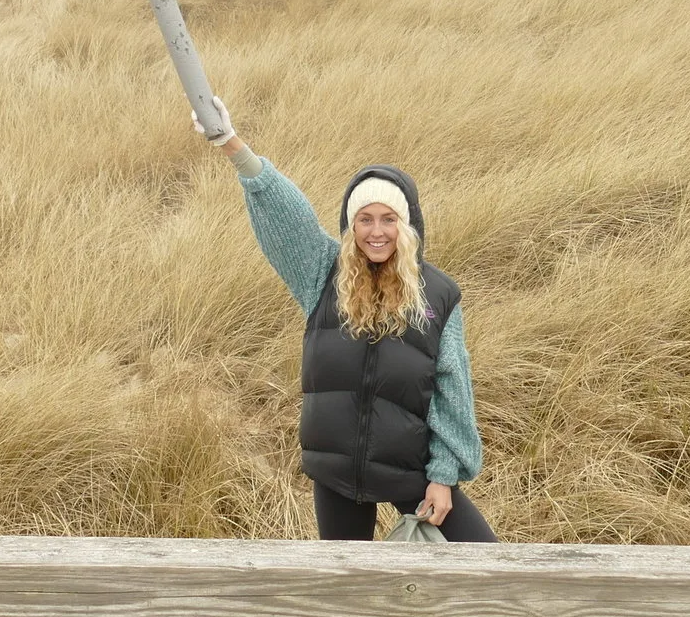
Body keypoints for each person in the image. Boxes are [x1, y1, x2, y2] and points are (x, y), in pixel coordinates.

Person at [197, 96, 496, 543]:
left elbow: (452, 390)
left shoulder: (438, 294)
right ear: (351, 226)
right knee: (345, 586)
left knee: (484, 560)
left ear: (408, 224)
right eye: (365, 219)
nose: (377, 231)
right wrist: (232, 145)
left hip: (411, 470)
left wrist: (443, 476)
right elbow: (288, 216)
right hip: (337, 473)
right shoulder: (323, 274)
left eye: (389, 219)